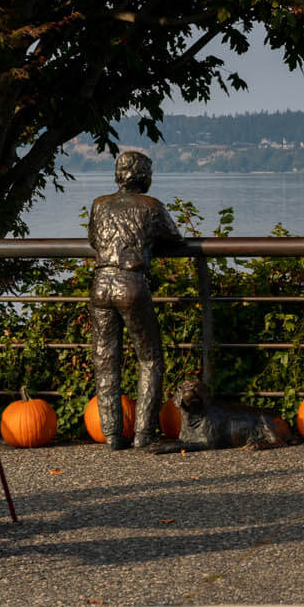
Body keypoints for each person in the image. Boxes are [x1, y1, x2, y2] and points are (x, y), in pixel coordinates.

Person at [87, 151, 182, 449]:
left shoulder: (100, 205)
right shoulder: (151, 207)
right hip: (131, 283)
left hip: (101, 282)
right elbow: (174, 238)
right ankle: (143, 432)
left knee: (105, 358)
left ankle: (112, 434)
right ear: (143, 175)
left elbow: (93, 240)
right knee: (150, 356)